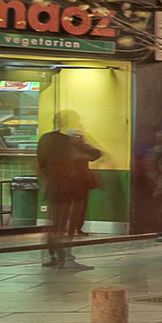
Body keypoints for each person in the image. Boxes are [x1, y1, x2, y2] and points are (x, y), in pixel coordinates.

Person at [35, 112, 100, 269]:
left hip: (55, 186)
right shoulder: (72, 141)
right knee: (69, 224)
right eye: (77, 120)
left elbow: (41, 161)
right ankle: (66, 258)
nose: (79, 123)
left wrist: (49, 178)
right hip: (73, 187)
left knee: (56, 223)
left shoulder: (46, 139)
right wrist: (82, 143)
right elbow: (94, 155)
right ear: (67, 122)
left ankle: (52, 257)